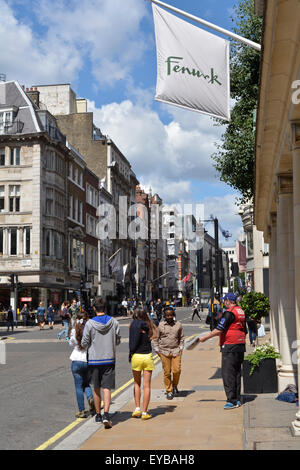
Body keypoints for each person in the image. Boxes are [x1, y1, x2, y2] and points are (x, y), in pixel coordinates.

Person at [197, 292, 247, 410]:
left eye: (225, 301)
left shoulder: (229, 313)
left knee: (228, 373)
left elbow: (219, 329)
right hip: (240, 344)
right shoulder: (241, 311)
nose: (224, 303)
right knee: (237, 373)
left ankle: (231, 400)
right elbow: (245, 329)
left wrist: (205, 338)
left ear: (229, 301)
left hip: (230, 345)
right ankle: (237, 399)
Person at [81, 296, 121, 428]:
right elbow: (118, 340)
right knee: (107, 388)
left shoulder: (90, 324)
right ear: (105, 308)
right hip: (109, 359)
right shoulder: (114, 322)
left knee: (96, 388)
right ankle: (107, 414)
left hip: (94, 360)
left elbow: (84, 342)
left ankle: (98, 414)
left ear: (94, 308)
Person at [129, 308, 157, 420]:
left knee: (137, 383)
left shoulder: (133, 325)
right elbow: (157, 333)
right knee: (147, 386)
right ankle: (145, 412)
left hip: (136, 356)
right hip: (147, 356)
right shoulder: (149, 324)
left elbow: (132, 342)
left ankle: (137, 409)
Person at [153, 307, 184, 400]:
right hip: (164, 351)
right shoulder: (161, 325)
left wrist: (181, 348)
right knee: (167, 372)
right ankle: (169, 390)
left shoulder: (178, 325)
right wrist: (157, 349)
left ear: (174, 315)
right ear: (164, 316)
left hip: (176, 351)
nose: (169, 317)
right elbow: (156, 338)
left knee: (176, 370)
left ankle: (175, 385)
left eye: (171, 315)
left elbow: (181, 338)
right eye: (167, 315)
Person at [68, 313, 95, 418]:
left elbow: (71, 343)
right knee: (86, 383)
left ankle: (82, 411)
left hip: (76, 360)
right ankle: (90, 398)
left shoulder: (74, 331)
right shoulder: (89, 331)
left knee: (78, 386)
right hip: (87, 360)